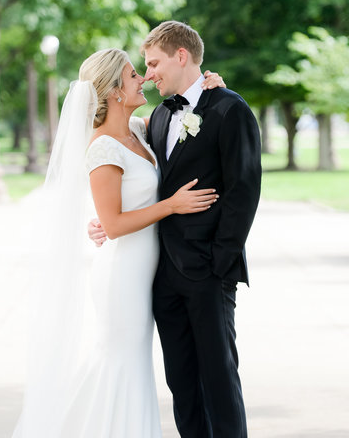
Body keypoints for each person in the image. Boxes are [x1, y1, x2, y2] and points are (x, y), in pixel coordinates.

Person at [12, 47, 224, 438]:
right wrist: (171, 206)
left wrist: (213, 89)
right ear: (112, 91)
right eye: (131, 75)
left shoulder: (140, 130)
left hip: (147, 268)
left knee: (133, 363)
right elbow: (111, 224)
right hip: (122, 273)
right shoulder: (102, 148)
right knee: (120, 361)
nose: (142, 78)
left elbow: (183, 121)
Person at [90, 21, 262, 437]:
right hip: (161, 277)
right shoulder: (156, 120)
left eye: (153, 63)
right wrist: (106, 219)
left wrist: (219, 264)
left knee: (219, 383)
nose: (148, 74)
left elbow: (243, 192)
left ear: (180, 56)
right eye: (142, 68)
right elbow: (131, 180)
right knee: (182, 387)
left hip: (208, 273)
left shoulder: (228, 109)